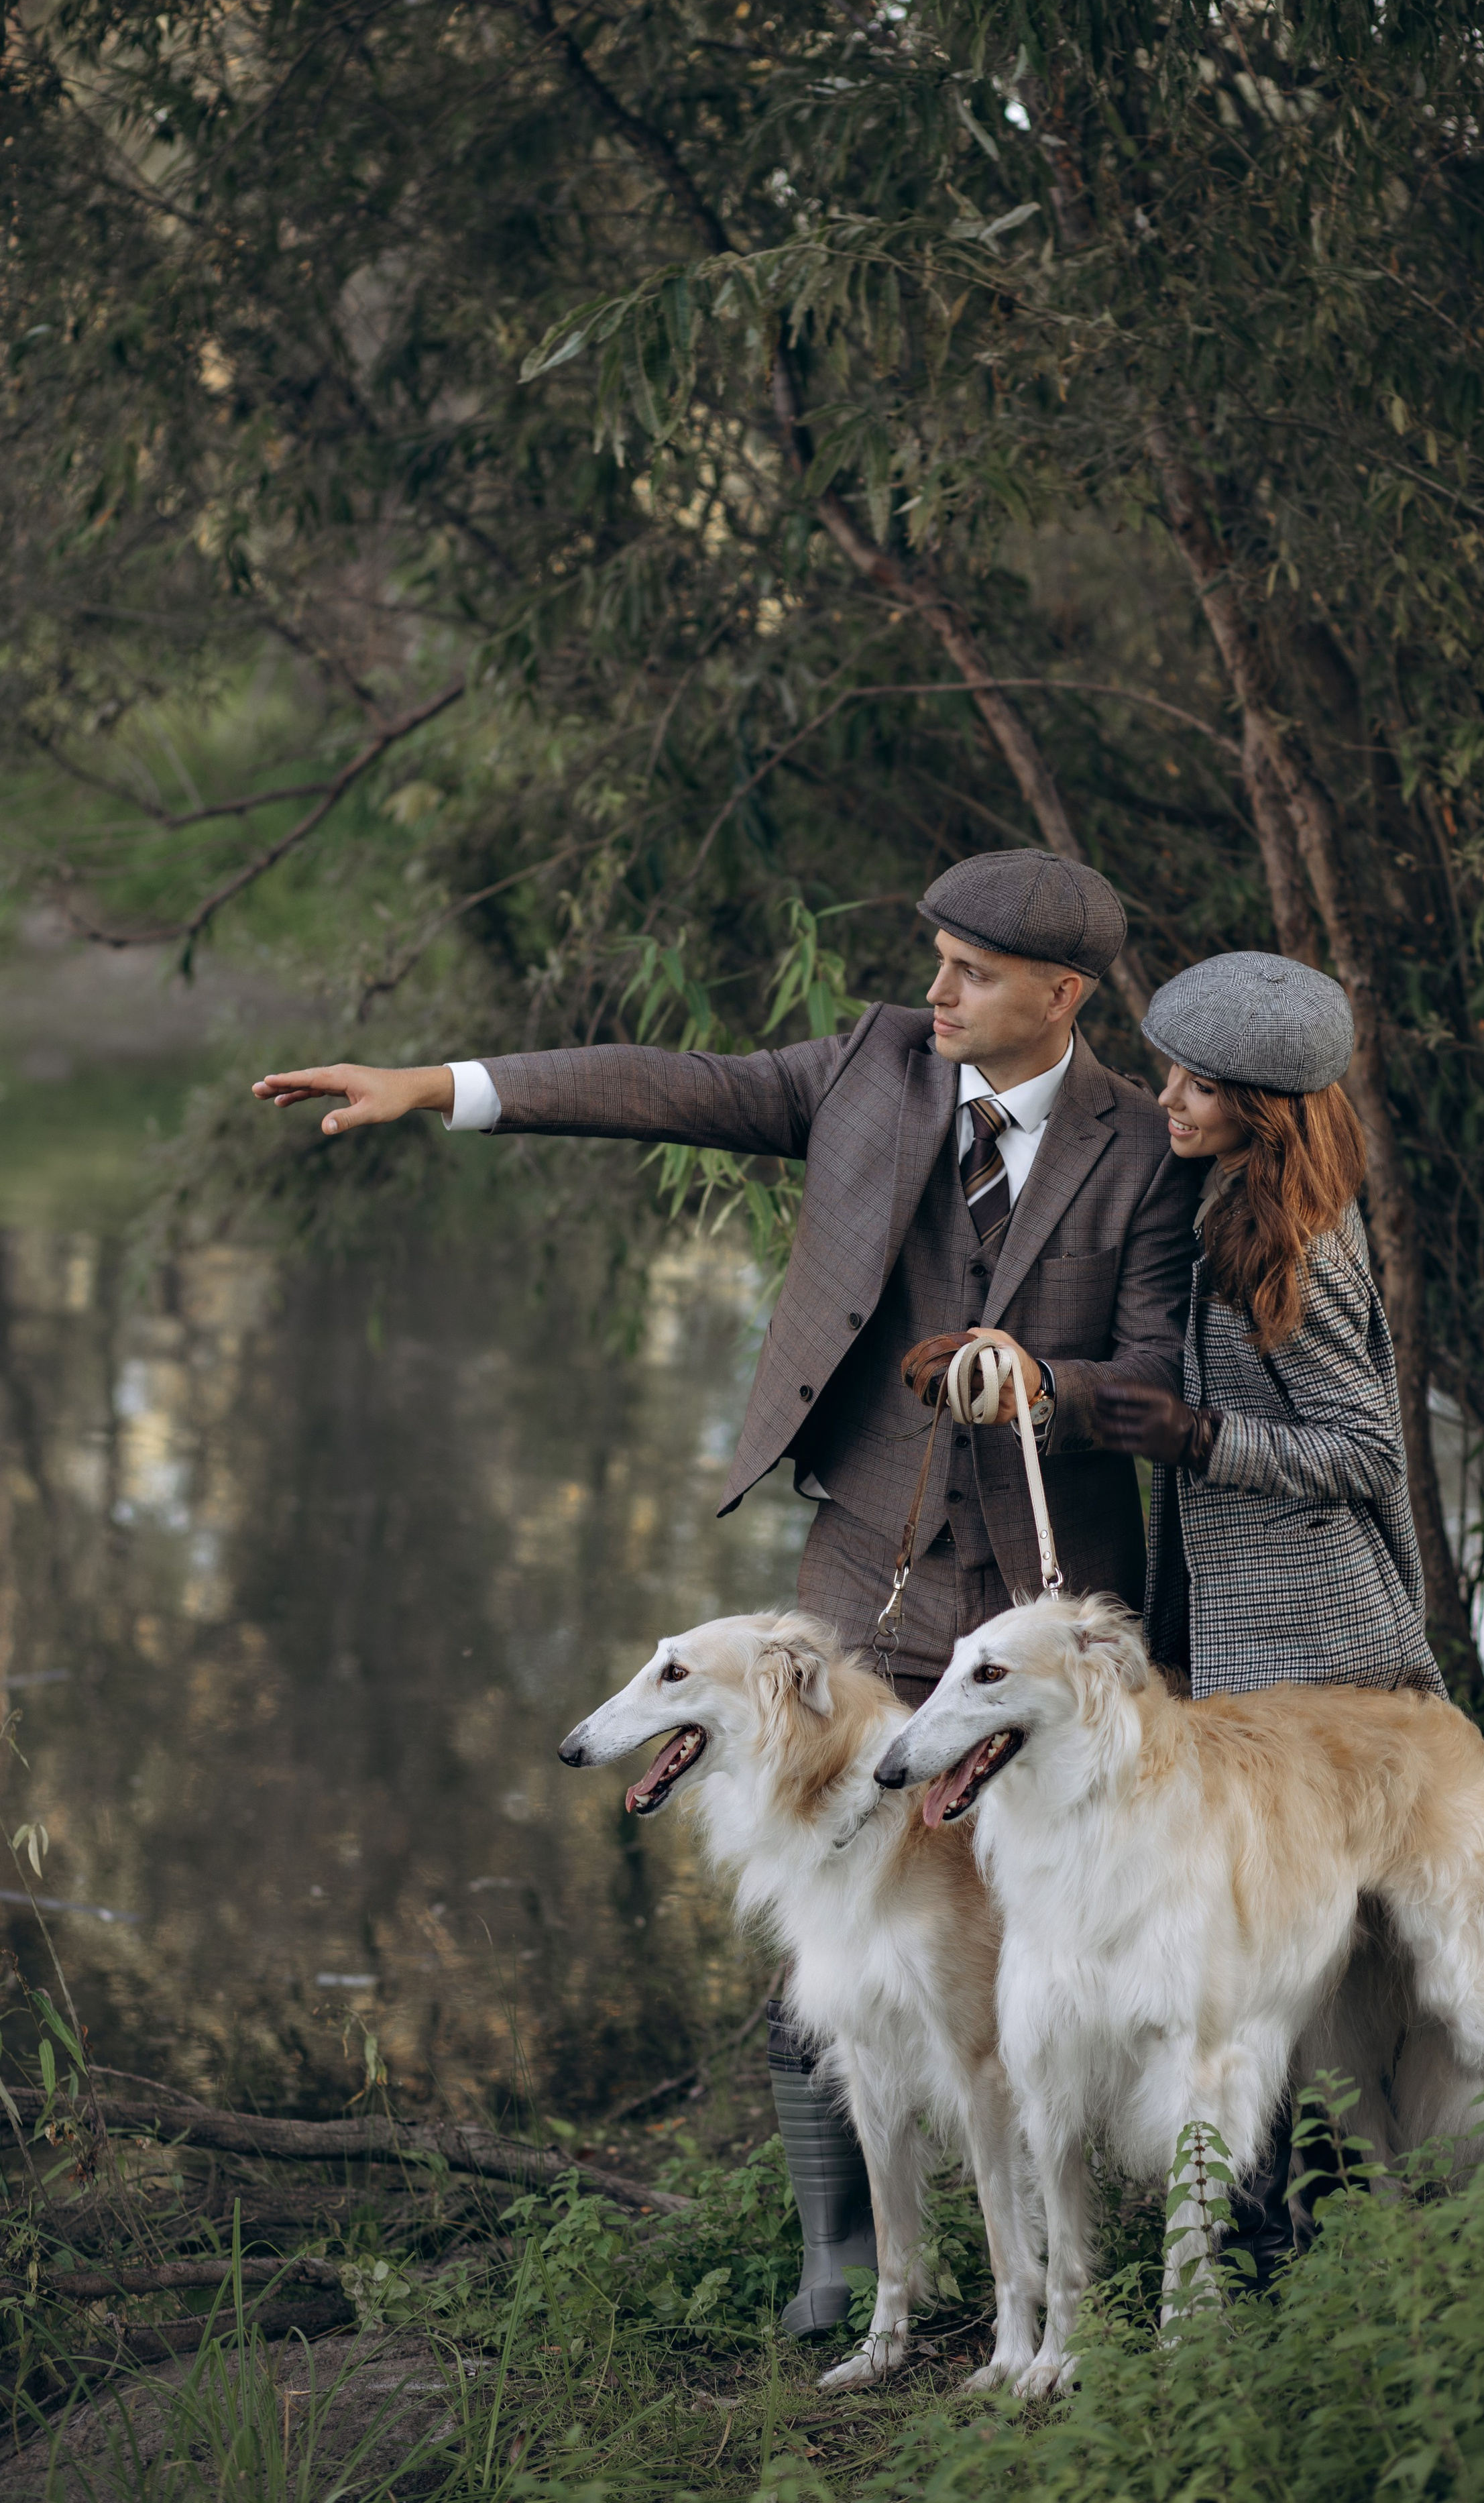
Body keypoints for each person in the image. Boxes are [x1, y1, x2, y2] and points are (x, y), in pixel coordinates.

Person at [253, 847, 1202, 2329]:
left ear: (1062, 994)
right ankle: (849, 2257)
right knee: (821, 1877)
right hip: (861, 1576)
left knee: (1071, 1904)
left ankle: (1110, 2231)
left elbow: (1150, 1370)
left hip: (1046, 1599)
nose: (935, 990)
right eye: (934, 957)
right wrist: (441, 1084)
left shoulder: (1141, 1146)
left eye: (972, 971)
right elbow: (667, 1085)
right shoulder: (873, 1066)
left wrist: (1046, 1383)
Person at [1090, 946, 1448, 2292]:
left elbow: (1364, 1452)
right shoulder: (1224, 1203)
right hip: (1246, 1643)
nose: (1167, 1098)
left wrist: (1199, 1436)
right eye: (1168, 1070)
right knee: (1267, 1948)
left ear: (1267, 1106)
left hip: (1324, 1648)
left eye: (1198, 1084)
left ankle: (1299, 2234)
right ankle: (1281, 2230)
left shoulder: (1296, 1238)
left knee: (1292, 1955)